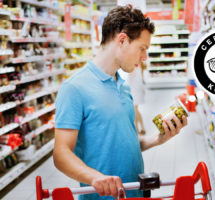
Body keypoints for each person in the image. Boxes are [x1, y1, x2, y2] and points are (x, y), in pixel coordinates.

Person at [53, 5, 187, 200]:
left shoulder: (122, 85)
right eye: (142, 48)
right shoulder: (74, 88)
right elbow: (61, 154)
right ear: (123, 40)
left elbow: (126, 141)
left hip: (135, 192)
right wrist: (95, 178)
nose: (144, 57)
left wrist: (159, 139)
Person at [127, 62, 146, 135]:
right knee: (135, 109)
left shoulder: (134, 63)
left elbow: (130, 71)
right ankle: (139, 128)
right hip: (135, 87)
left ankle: (139, 128)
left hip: (135, 88)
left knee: (134, 109)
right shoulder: (138, 63)